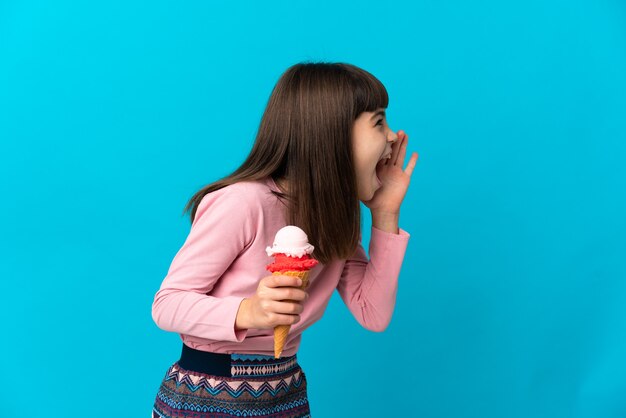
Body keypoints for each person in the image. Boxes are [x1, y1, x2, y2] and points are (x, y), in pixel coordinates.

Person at [151, 61, 419, 418]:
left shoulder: (335, 219)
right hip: (207, 396)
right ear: (331, 134)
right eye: (378, 121)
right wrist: (249, 311)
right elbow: (166, 304)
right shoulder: (243, 203)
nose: (392, 136)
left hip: (285, 393)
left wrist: (385, 215)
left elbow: (373, 313)